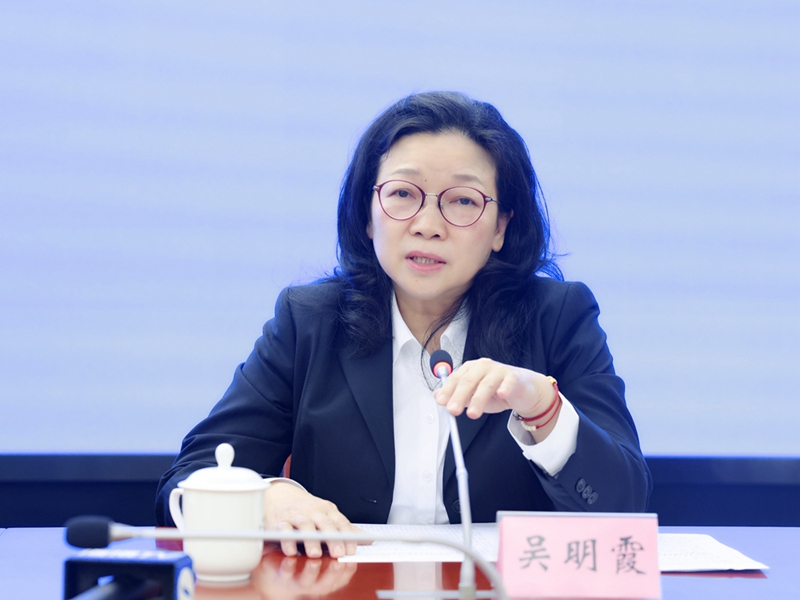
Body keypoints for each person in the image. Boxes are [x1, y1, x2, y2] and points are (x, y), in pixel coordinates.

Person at [156, 91, 651, 559]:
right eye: (402, 193)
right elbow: (184, 485)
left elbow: (624, 508)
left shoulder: (558, 317)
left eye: (462, 201)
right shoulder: (309, 322)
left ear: (501, 227)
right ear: (368, 215)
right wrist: (264, 495)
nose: (427, 225)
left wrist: (543, 409)